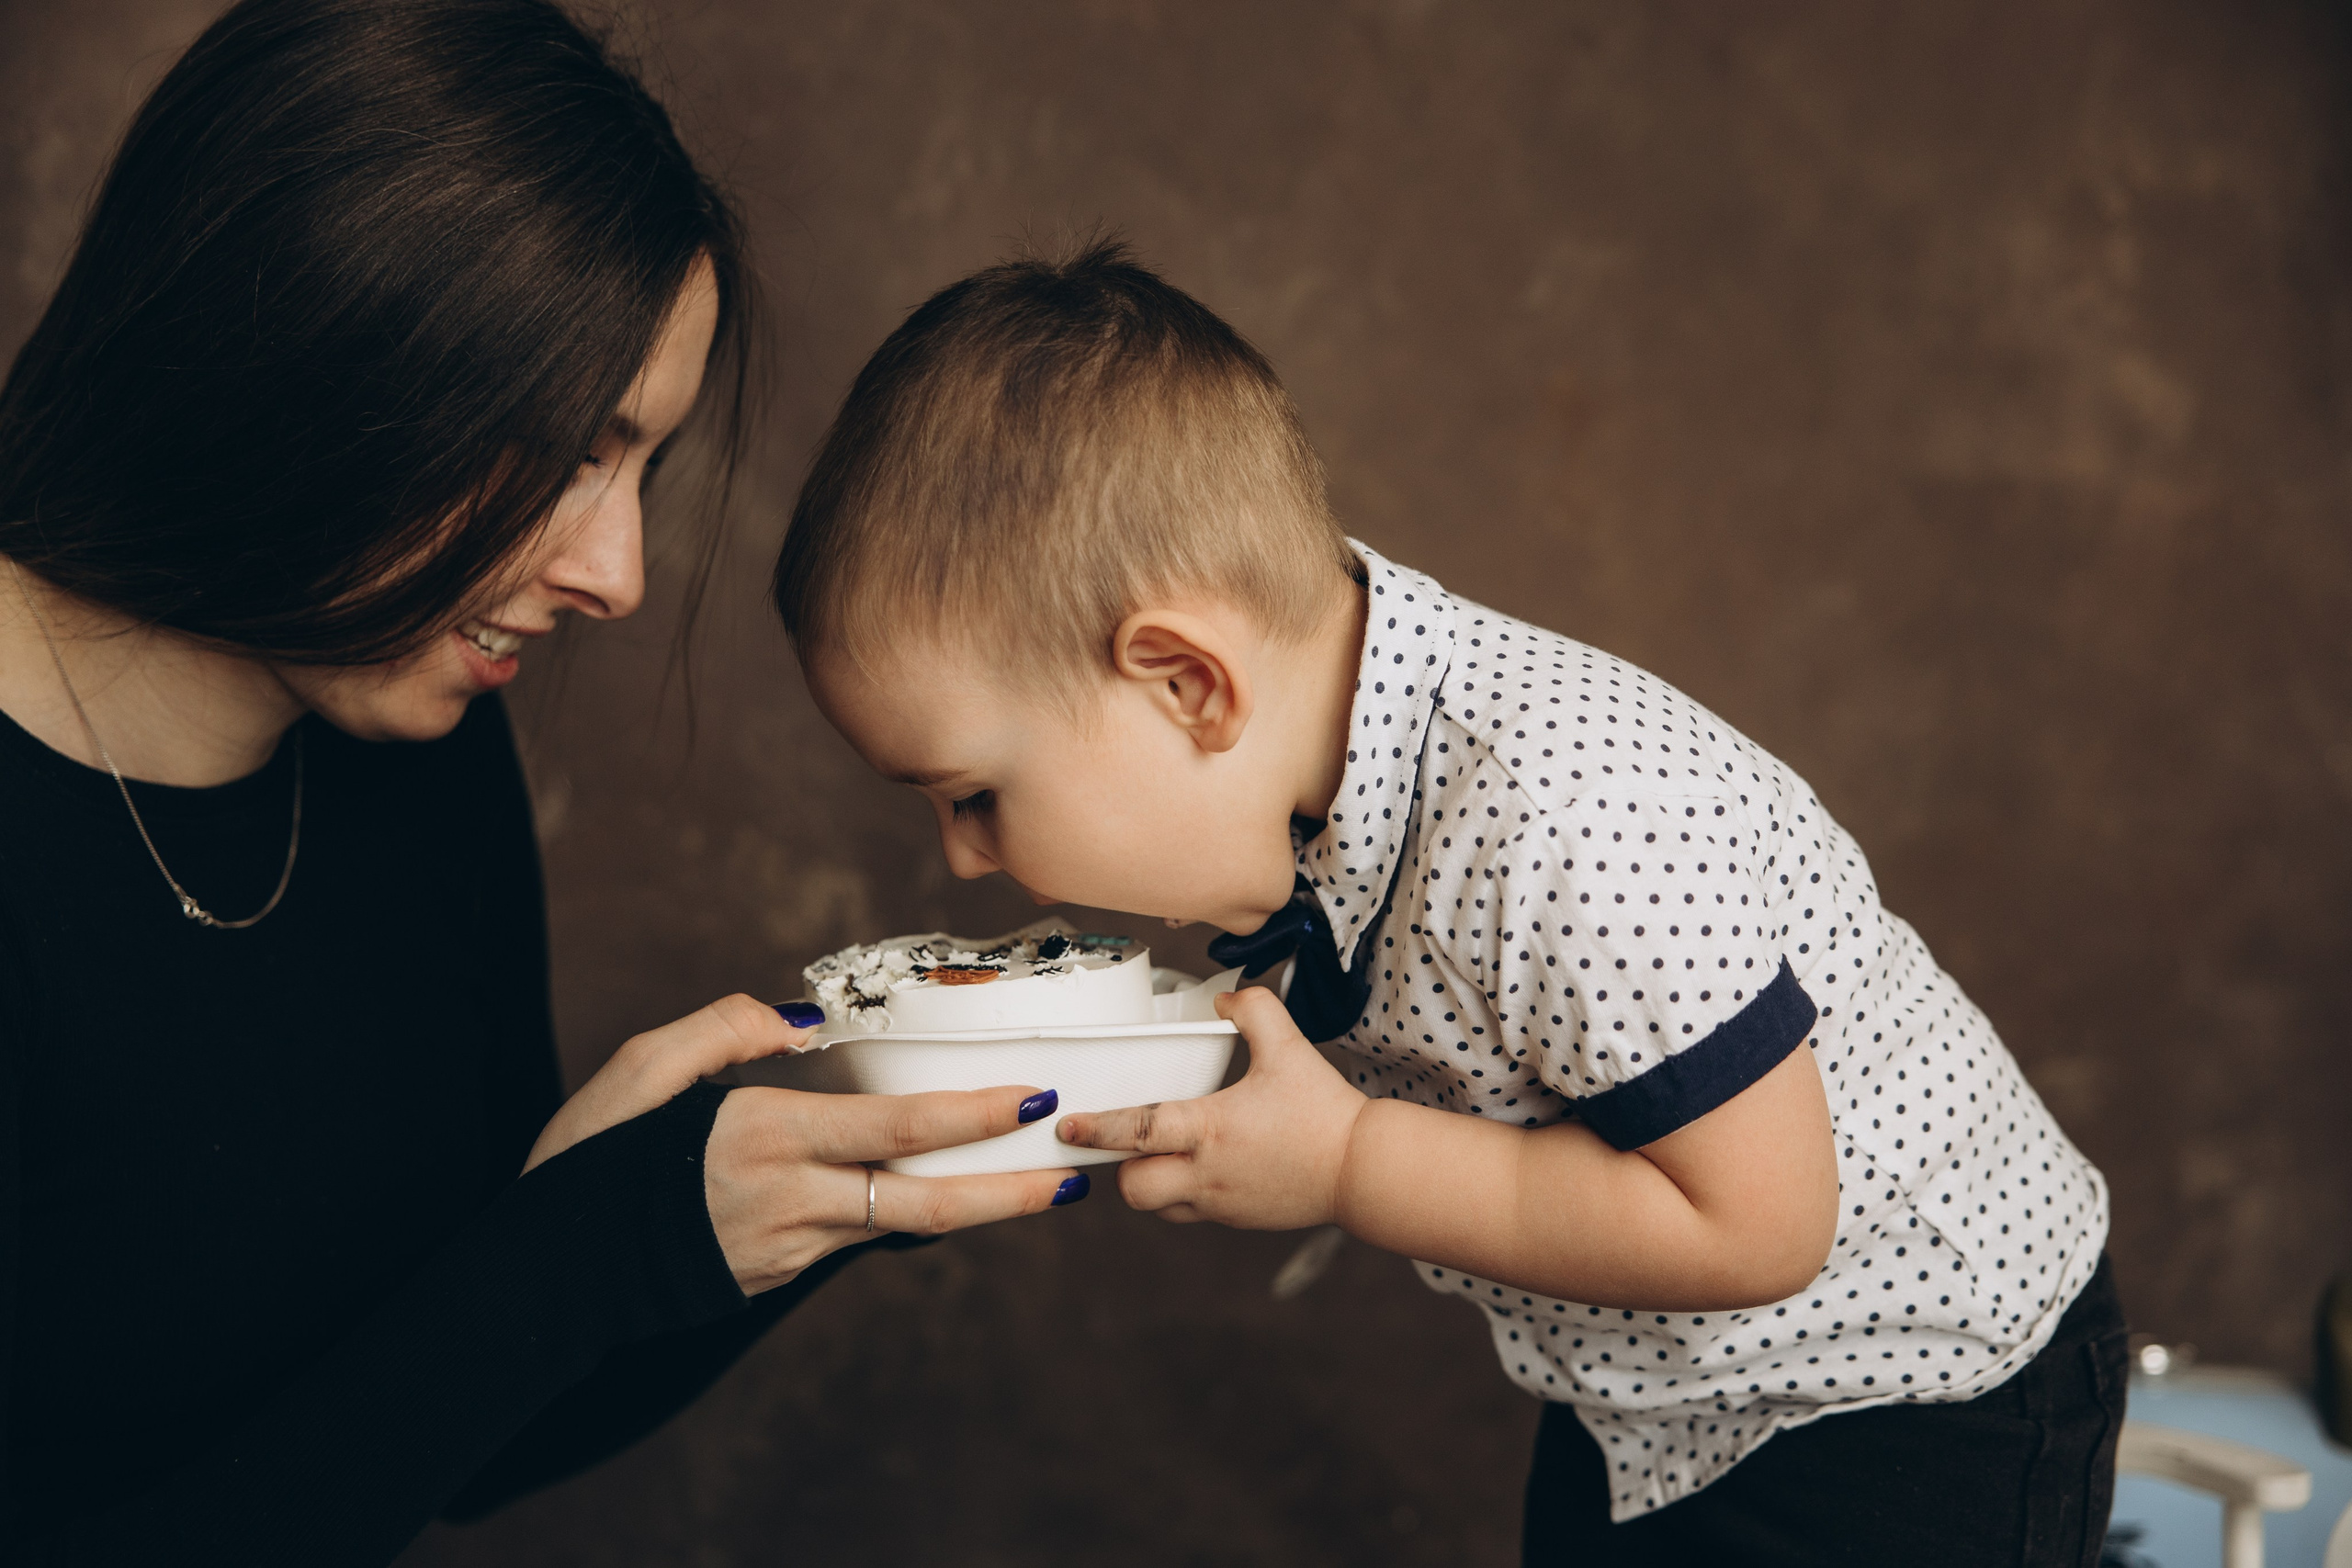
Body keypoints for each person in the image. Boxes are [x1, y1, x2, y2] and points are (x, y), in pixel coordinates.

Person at [772, 241, 2128, 1566]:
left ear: (1187, 685)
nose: (959, 857)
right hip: (1651, 1394)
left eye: (973, 795)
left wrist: (1348, 1163)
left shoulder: (1571, 820)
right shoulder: (1301, 779)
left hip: (1912, 1397)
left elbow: (1761, 1224)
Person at [0, 3, 1084, 1562]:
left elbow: (457, 1420)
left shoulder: (411, 746)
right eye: (572, 449)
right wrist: (577, 1253)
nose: (620, 575)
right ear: (310, 356)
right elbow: (517, 1304)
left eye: (642, 467)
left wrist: (896, 1134)